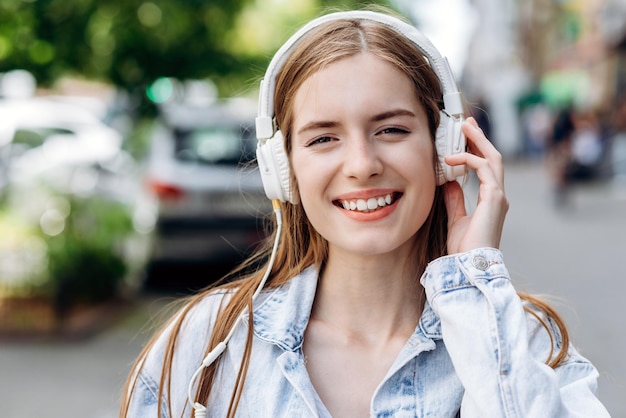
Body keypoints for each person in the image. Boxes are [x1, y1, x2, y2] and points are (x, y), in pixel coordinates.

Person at [120, 9, 610, 418]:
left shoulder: (526, 343)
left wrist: (475, 289)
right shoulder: (208, 346)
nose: (361, 165)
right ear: (282, 169)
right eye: (323, 138)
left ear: (444, 147)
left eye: (392, 130)